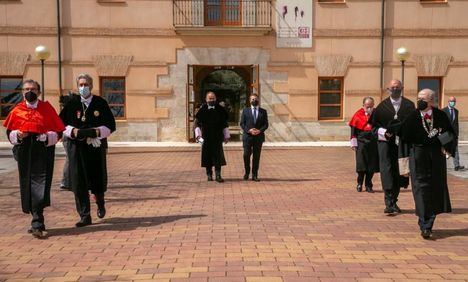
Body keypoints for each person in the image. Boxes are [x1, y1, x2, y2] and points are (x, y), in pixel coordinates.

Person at [3, 79, 65, 238]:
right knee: (27, 182)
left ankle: (37, 220)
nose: (29, 91)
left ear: (39, 91)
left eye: (33, 89)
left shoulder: (46, 108)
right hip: (24, 151)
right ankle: (36, 218)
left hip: (42, 151)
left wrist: (47, 137)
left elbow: (58, 131)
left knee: (41, 182)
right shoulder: (17, 110)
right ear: (22, 92)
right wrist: (17, 134)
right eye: (26, 89)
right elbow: (9, 133)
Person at [59, 74, 116, 227]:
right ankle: (85, 215)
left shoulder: (100, 103)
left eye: (86, 84)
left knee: (97, 178)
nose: (83, 87)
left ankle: (100, 203)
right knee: (79, 182)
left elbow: (110, 125)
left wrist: (96, 132)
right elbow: (60, 124)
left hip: (95, 148)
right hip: (76, 148)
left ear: (91, 86)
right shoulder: (72, 103)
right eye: (80, 84)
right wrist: (73, 132)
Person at [401, 89, 453, 239]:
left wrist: (444, 143)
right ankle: (425, 224)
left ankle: (429, 221)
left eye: (423, 99)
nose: (420, 101)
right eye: (418, 98)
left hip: (436, 157)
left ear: (431, 101)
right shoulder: (411, 116)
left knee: (435, 188)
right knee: (420, 188)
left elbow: (450, 133)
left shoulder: (441, 116)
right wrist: (403, 163)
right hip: (418, 155)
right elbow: (404, 139)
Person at [371, 79, 415, 214]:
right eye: (392, 87)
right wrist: (385, 133)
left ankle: (394, 200)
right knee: (387, 171)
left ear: (402, 88)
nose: (395, 89)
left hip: (402, 145)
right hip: (386, 145)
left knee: (399, 172)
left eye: (397, 87)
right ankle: (389, 202)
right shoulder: (381, 107)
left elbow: (413, 124)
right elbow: (373, 127)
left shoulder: (409, 105)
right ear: (388, 89)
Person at [195, 91, 230, 183]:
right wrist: (198, 137)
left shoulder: (220, 110)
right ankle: (209, 174)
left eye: (213, 98)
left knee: (218, 156)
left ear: (216, 99)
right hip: (205, 138)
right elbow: (197, 124)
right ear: (206, 99)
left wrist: (226, 136)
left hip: (217, 137)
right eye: (210, 98)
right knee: (206, 156)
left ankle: (218, 175)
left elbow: (224, 124)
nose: (212, 100)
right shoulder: (202, 110)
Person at [349, 97, 379, 193]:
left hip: (373, 141)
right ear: (363, 106)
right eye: (367, 106)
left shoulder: (376, 114)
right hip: (361, 141)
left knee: (371, 165)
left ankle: (368, 185)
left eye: (371, 106)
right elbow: (353, 131)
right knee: (361, 165)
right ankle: (359, 183)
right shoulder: (358, 115)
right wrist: (353, 143)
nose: (369, 108)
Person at [240, 94, 269, 181]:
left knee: (256, 157)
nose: (254, 101)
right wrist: (249, 130)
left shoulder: (263, 111)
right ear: (250, 101)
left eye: (256, 99)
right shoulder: (245, 111)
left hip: (258, 137)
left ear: (258, 100)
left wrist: (259, 131)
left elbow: (266, 124)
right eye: (252, 99)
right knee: (246, 155)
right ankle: (247, 172)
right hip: (247, 137)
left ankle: (254, 174)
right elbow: (242, 124)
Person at [59, 91, 78, 191]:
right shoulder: (68, 111)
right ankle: (66, 181)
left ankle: (70, 181)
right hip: (68, 137)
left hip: (69, 136)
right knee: (70, 158)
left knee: (71, 158)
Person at [443, 96, 464, 171]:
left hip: (454, 134)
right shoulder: (444, 110)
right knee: (444, 149)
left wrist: (457, 133)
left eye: (454, 101)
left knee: (455, 149)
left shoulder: (456, 111)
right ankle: (442, 166)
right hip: (445, 133)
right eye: (451, 101)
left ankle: (457, 165)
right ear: (448, 101)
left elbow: (456, 123)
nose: (453, 102)